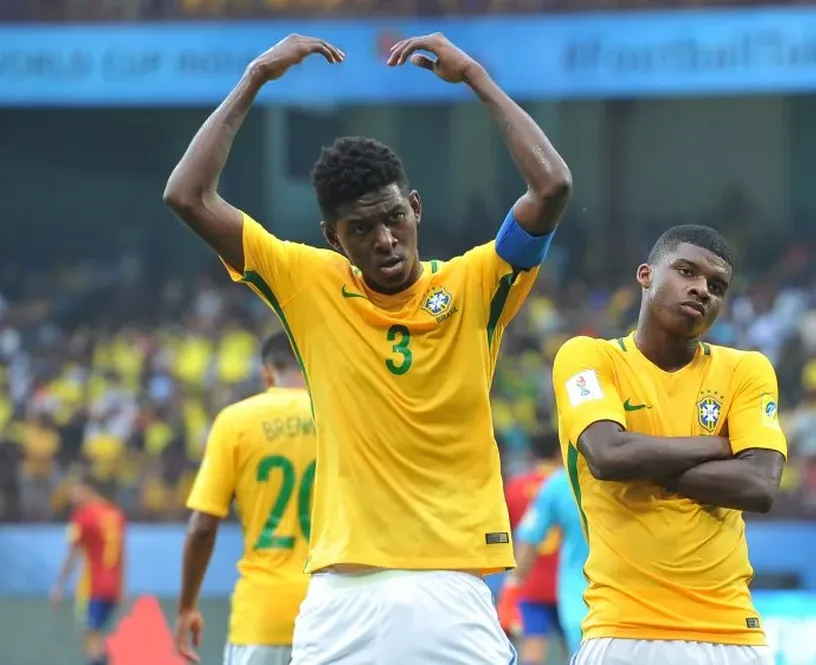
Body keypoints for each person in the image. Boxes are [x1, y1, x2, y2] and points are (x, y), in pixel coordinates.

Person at [163, 32, 571, 665]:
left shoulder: (476, 283)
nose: (384, 240)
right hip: (340, 589)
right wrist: (253, 80)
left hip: (449, 584)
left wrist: (476, 78)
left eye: (392, 219)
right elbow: (186, 196)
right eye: (361, 229)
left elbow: (551, 188)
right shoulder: (307, 281)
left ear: (415, 207)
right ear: (333, 237)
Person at [551, 225, 785, 664]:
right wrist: (719, 447)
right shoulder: (588, 358)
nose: (701, 290)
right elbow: (607, 455)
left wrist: (642, 459)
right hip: (624, 630)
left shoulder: (746, 370)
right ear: (645, 274)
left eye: (717, 287)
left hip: (732, 634)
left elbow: (759, 486)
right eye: (686, 271)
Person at [175, 332, 315, 665]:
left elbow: (203, 526)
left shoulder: (236, 421)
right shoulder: (344, 416)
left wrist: (186, 607)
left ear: (267, 372)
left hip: (262, 616)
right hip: (336, 615)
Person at [507, 468, 589, 658]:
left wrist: (511, 592)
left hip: (578, 597)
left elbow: (528, 537)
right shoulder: (648, 473)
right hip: (650, 598)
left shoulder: (559, 483)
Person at [498, 433, 564, 664]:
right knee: (576, 651)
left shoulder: (516, 486)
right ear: (560, 450)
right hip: (569, 583)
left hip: (530, 582)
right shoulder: (569, 484)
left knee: (532, 652)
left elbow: (509, 530)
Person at [51, 475, 127, 665]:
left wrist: (59, 585)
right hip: (113, 588)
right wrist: (122, 588)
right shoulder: (115, 513)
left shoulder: (83, 517)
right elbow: (123, 555)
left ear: (87, 489)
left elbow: (72, 554)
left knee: (91, 639)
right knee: (97, 637)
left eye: (75, 492)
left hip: (92, 587)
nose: (72, 498)